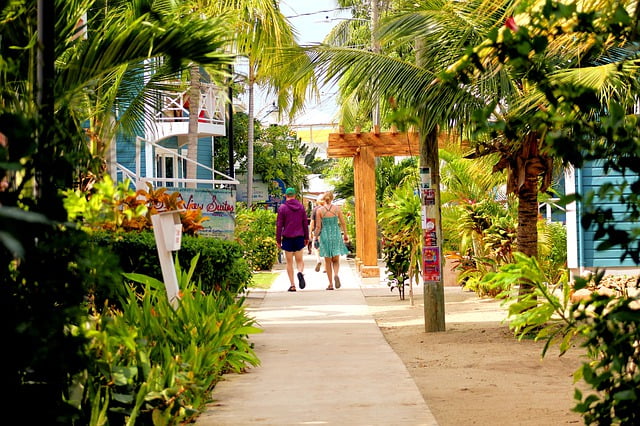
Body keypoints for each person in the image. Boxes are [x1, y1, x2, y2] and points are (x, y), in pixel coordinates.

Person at [314, 191, 349, 290]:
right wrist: (345, 234)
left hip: (325, 235)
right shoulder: (337, 209)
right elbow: (343, 223)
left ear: (324, 199)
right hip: (336, 234)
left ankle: (330, 284)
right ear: (332, 198)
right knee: (336, 260)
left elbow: (318, 227)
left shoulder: (320, 211)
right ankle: (336, 274)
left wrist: (315, 237)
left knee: (328, 261)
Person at [276, 187, 309, 292]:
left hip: (287, 237)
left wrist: (278, 240)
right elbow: (305, 223)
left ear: (286, 196)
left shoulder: (282, 208)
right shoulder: (301, 207)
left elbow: (279, 225)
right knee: (300, 260)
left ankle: (292, 285)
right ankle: (300, 272)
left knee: (289, 262)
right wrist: (306, 237)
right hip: (299, 236)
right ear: (295, 195)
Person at [309, 193, 326, 272]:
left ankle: (318, 260)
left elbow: (312, 222)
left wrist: (310, 232)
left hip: (317, 231)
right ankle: (326, 268)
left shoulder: (315, 209)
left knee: (316, 247)